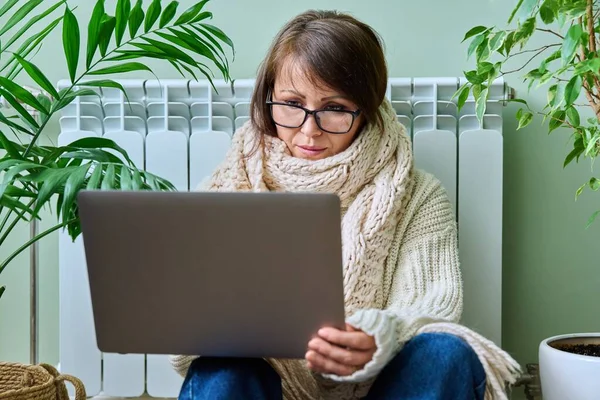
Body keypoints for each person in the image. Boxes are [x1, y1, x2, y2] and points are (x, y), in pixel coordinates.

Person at [170, 9, 521, 400]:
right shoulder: (223, 190)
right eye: (291, 103)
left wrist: (379, 336)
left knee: (446, 353)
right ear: (268, 96)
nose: (308, 129)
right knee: (221, 366)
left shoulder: (419, 195)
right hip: (268, 390)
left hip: (383, 390)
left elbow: (433, 308)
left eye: (334, 108)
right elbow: (188, 343)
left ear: (365, 110)